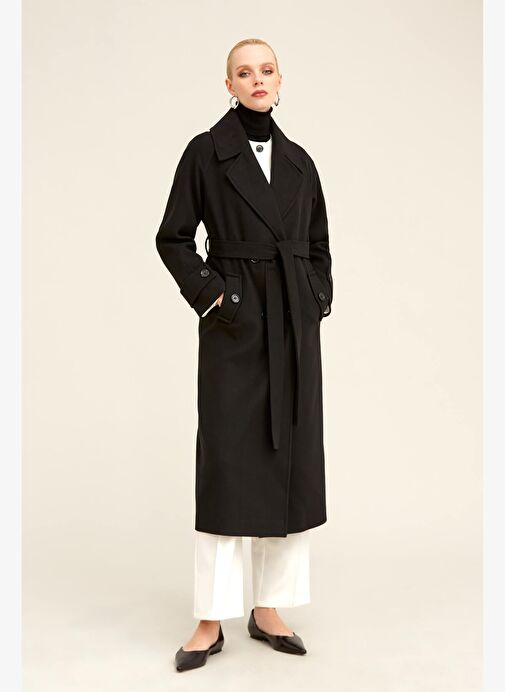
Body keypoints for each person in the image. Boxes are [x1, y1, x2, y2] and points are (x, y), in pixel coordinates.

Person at [155, 38, 333, 672]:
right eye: (243, 72)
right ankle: (210, 619)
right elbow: (173, 237)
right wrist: (215, 298)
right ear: (228, 84)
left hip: (292, 326)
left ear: (280, 80)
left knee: (289, 460)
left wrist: (316, 295)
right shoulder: (206, 153)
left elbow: (318, 241)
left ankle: (269, 607)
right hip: (235, 325)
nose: (257, 79)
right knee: (228, 465)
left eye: (267, 70)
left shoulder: (300, 161)